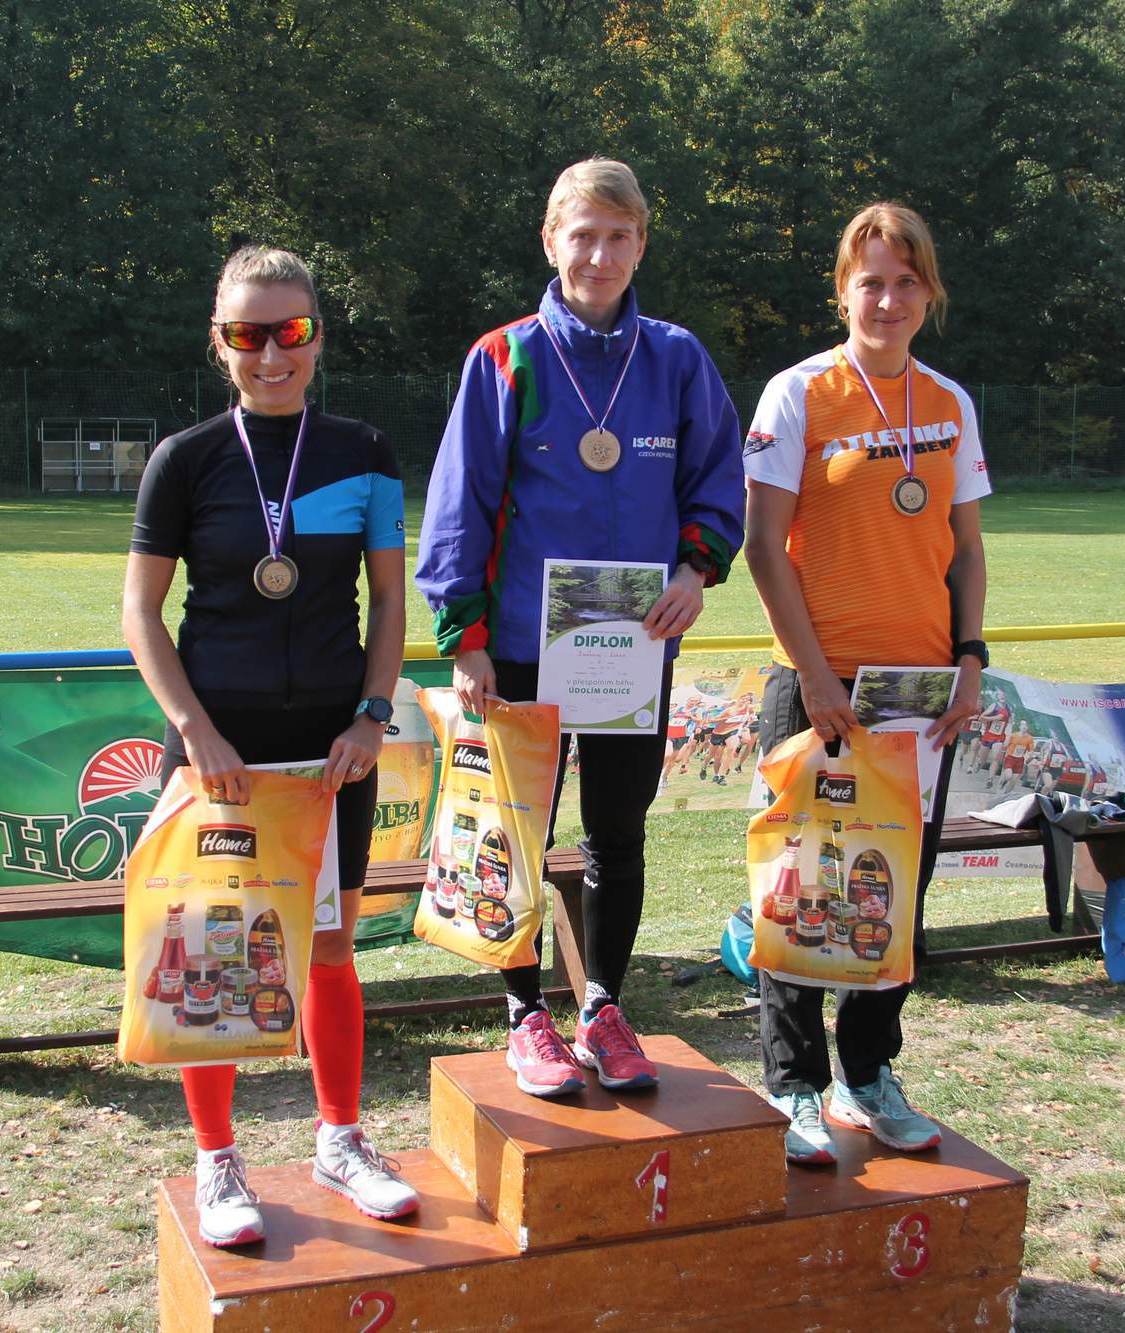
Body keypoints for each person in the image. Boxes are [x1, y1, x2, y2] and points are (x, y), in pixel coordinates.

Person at [417, 158, 744, 1099]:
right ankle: (525, 1014)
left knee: (616, 833)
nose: (600, 254)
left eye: (619, 236)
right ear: (551, 241)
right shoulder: (504, 357)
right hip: (519, 646)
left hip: (632, 644)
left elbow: (719, 478)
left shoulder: (677, 358)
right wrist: (466, 637)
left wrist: (695, 569)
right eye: (583, 235)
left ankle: (603, 1005)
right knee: (512, 833)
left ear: (642, 244)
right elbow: (459, 504)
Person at [123, 244, 415, 1251]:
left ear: (317, 336)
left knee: (329, 947)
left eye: (290, 331)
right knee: (212, 952)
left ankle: (341, 1139)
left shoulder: (364, 451)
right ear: (220, 342)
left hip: (331, 750)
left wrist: (371, 716)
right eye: (248, 334)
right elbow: (140, 613)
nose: (271, 354)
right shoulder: (185, 459)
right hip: (220, 751)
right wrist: (195, 731)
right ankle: (217, 1158)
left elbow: (389, 601)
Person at [740, 201, 989, 1166]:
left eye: (906, 281)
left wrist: (969, 656)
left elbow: (967, 547)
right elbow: (765, 547)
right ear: (842, 290)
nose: (888, 300)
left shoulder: (950, 400)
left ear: (929, 292)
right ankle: (796, 1082)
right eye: (870, 281)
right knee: (802, 889)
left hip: (919, 690)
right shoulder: (799, 392)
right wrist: (813, 676)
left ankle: (869, 1071)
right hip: (819, 683)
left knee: (894, 893)